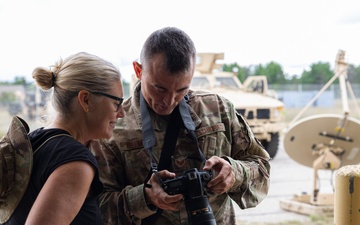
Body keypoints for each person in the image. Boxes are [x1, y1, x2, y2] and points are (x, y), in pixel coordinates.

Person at [90, 27, 271, 225]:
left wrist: (233, 173)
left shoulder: (217, 109)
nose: (169, 100)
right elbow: (95, 207)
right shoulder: (113, 127)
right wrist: (145, 197)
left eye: (181, 90)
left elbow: (262, 168)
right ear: (138, 70)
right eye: (159, 88)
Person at [5, 52, 125, 225]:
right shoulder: (75, 163)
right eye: (117, 103)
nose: (121, 113)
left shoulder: (33, 141)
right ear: (86, 100)